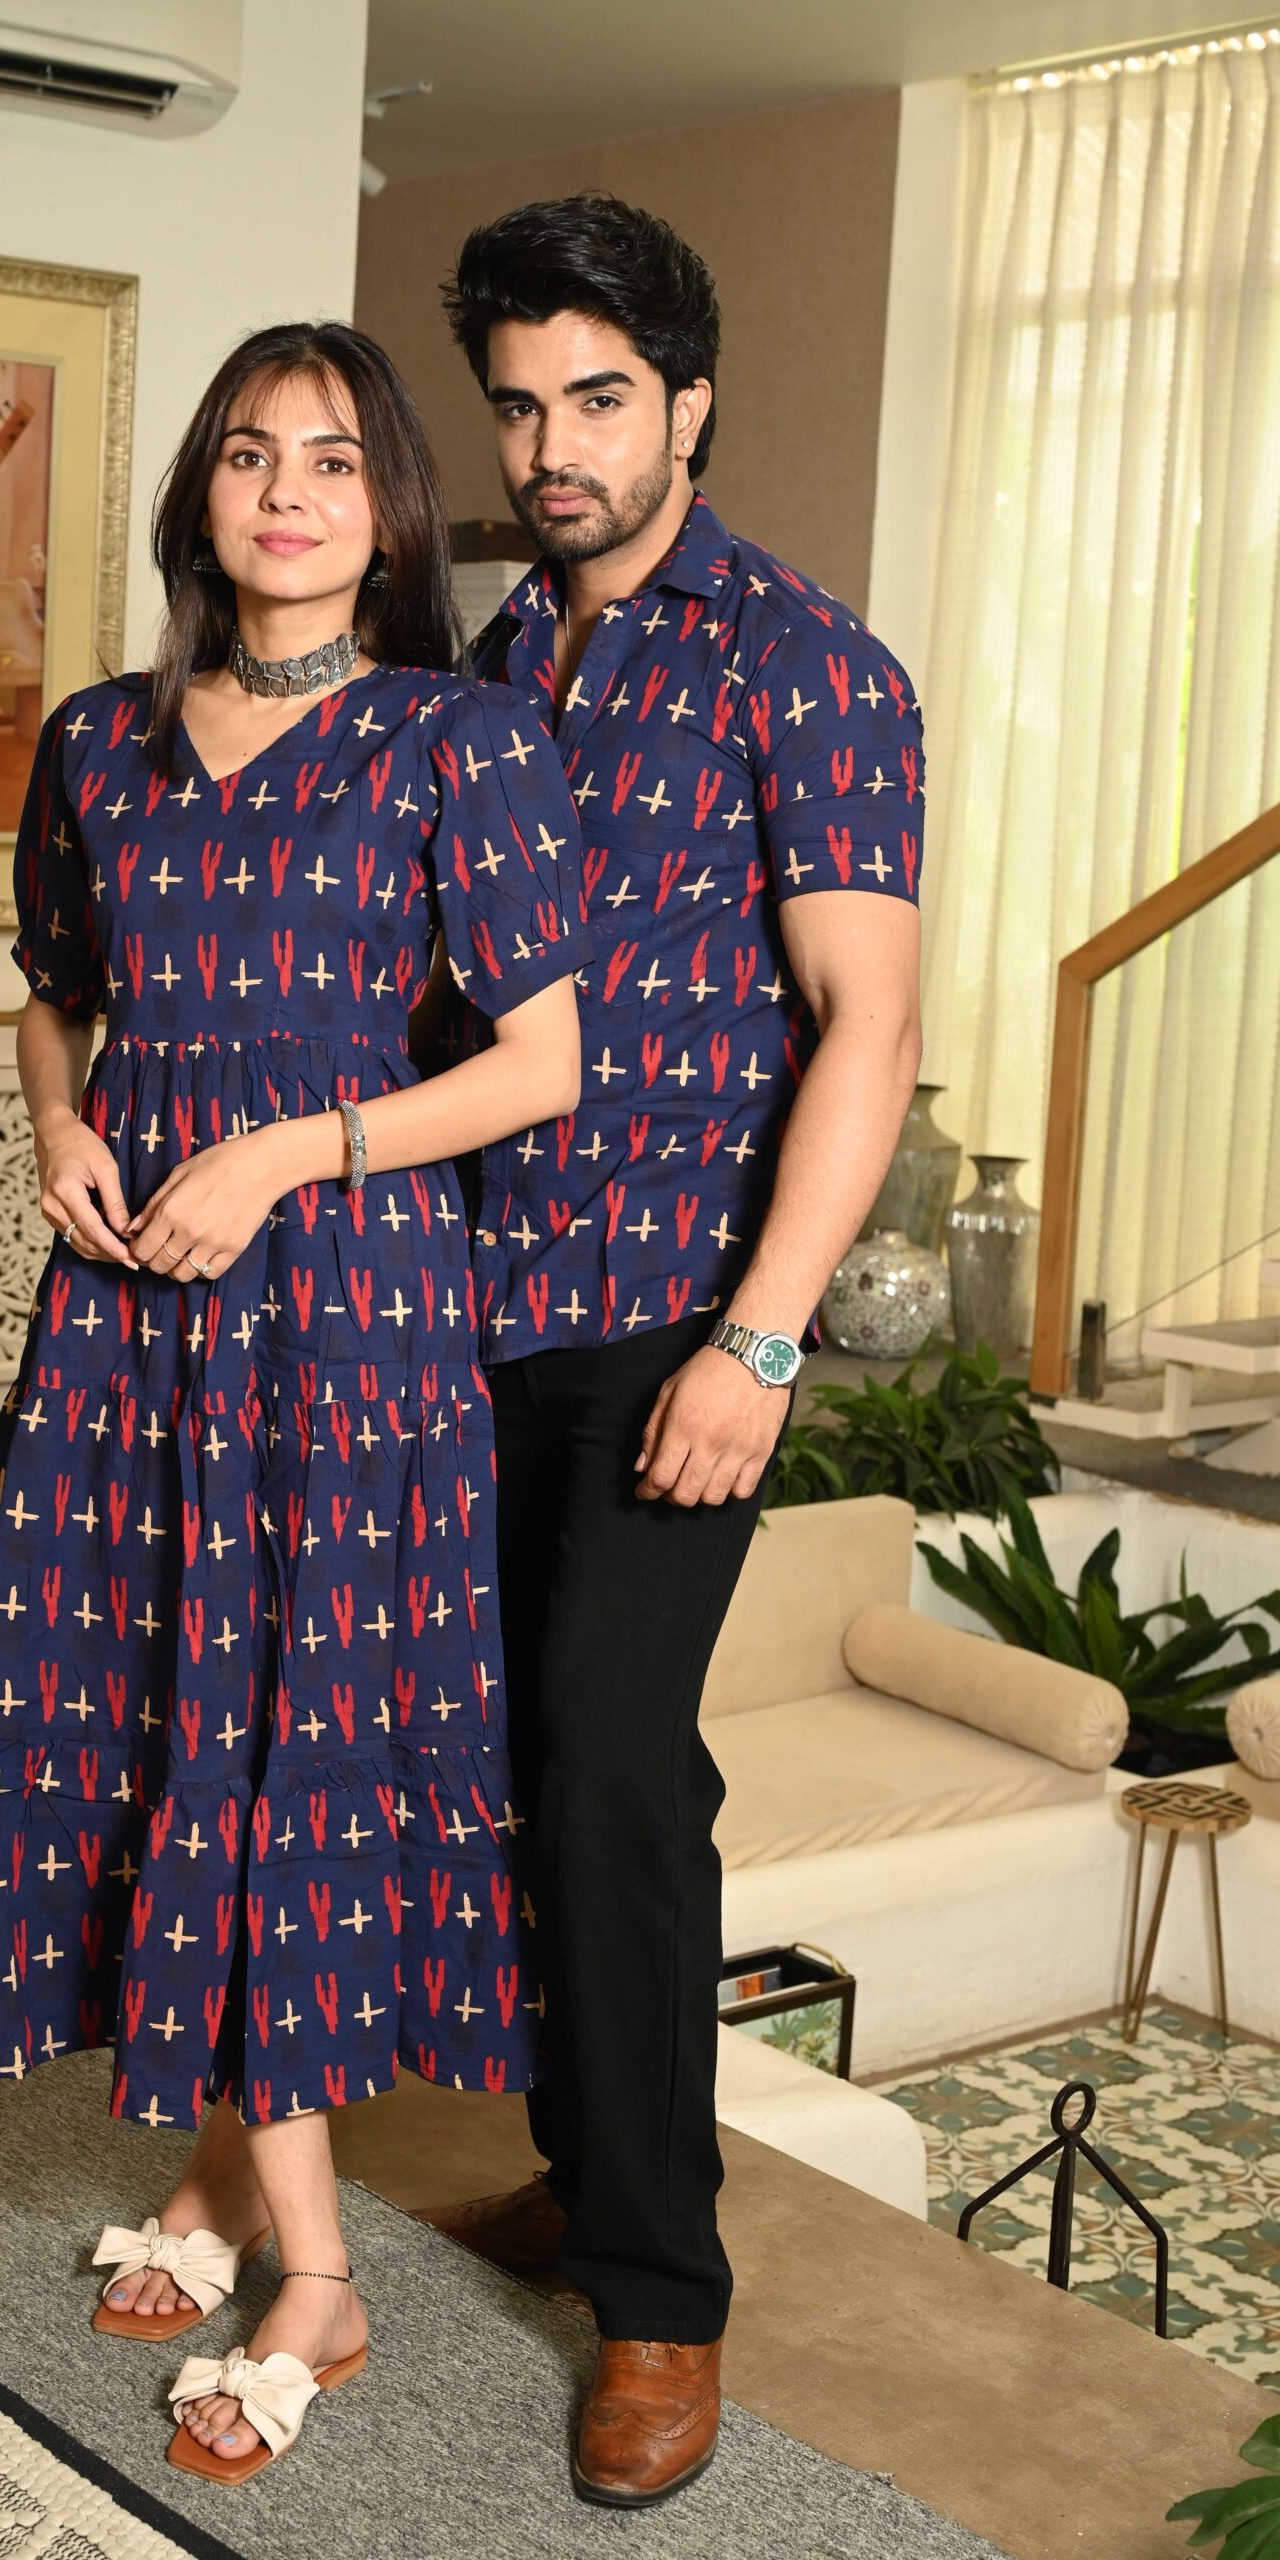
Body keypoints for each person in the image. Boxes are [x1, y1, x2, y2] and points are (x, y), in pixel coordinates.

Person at [0, 320, 594, 2481]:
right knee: (153, 1706)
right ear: (198, 494)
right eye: (247, 454)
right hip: (130, 1310)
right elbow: (57, 997)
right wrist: (64, 1128)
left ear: (388, 513)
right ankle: (219, 2172)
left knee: (287, 1722)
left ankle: (318, 2273)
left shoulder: (459, 737)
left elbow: (543, 1062)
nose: (287, 492)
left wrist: (294, 1150)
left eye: (332, 460)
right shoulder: (99, 741)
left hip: (348, 1316)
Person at [421, 193, 927, 2508]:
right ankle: (587, 2144)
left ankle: (659, 2296)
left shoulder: (804, 663)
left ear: (691, 403)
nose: (556, 443)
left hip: (669, 1317)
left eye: (601, 398)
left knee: (618, 1758)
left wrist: (763, 1340)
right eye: (521, 402)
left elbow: (865, 1023)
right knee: (515, 1754)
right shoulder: (492, 656)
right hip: (463, 1301)